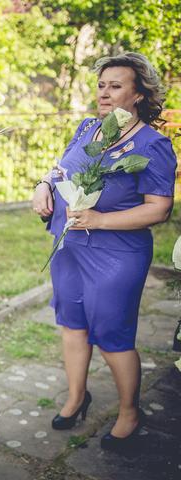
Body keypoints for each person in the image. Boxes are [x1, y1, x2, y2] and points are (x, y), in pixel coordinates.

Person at [32, 52, 176, 452]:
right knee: (72, 324)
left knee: (113, 334)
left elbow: (159, 208)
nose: (104, 93)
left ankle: (129, 412)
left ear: (139, 94)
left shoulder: (153, 144)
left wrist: (99, 219)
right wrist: (42, 185)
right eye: (101, 85)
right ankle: (77, 397)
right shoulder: (87, 128)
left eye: (115, 86)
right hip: (70, 246)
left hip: (117, 254)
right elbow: (60, 169)